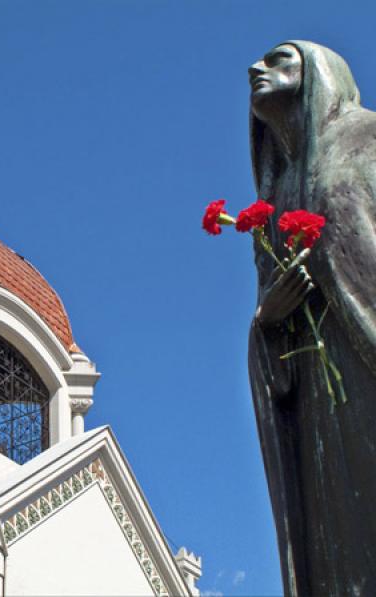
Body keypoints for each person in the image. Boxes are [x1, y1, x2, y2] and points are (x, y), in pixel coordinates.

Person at [248, 41, 376, 596]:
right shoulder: (275, 194)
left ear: (321, 73)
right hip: (318, 397)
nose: (258, 69)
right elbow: (269, 313)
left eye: (280, 61)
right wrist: (267, 321)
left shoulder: (367, 139)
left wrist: (333, 264)